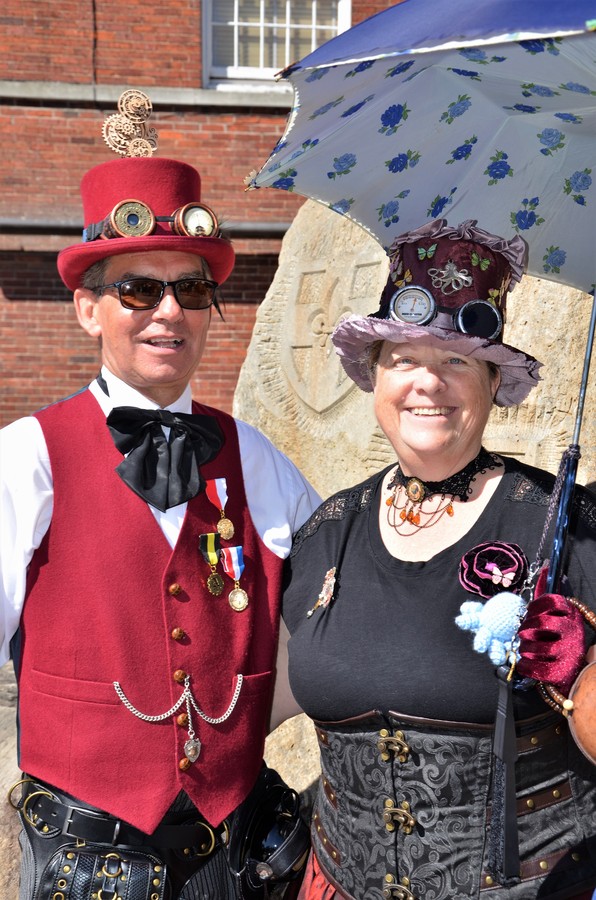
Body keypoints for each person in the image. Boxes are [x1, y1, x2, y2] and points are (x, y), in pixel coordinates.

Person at [0, 91, 320, 900]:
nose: (169, 311)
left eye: (192, 290)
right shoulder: (26, 456)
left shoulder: (259, 457)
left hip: (231, 850)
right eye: (139, 289)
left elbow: (337, 611)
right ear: (87, 309)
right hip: (85, 853)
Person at [279, 219, 596, 899]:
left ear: (492, 382)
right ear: (375, 377)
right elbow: (260, 694)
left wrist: (579, 676)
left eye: (456, 360)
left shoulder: (565, 528)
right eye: (403, 359)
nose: (428, 383)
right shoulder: (329, 528)